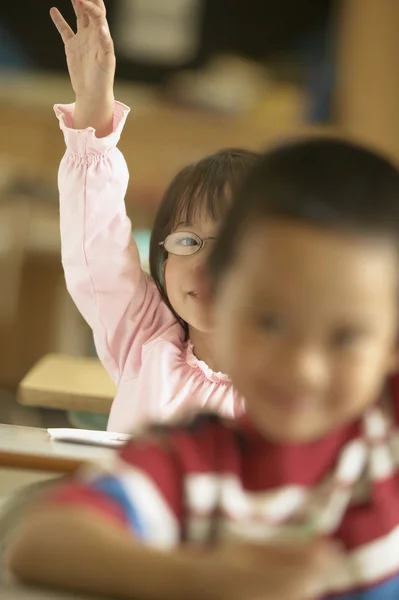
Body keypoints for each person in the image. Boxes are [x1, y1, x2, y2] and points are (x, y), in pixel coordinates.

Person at [8, 133, 399, 599]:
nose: (303, 368)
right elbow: (40, 543)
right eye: (270, 322)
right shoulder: (193, 461)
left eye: (345, 336)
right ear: (225, 317)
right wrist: (211, 580)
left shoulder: (383, 437)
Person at [50, 0, 258, 434]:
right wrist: (92, 106)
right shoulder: (144, 340)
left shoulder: (293, 385)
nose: (203, 263)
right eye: (186, 241)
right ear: (163, 260)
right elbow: (99, 248)